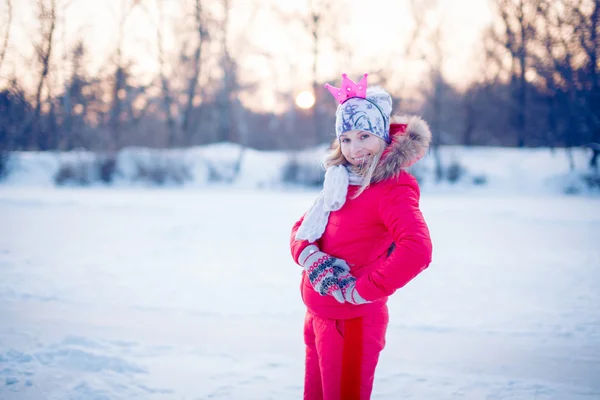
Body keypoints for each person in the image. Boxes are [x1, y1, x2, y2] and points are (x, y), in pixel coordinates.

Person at [289, 73, 433, 400]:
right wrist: (311, 256)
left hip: (351, 323)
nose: (355, 149)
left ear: (382, 135)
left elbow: (417, 249)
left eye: (364, 135)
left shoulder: (392, 188)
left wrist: (361, 291)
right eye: (347, 139)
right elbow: (301, 229)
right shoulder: (340, 179)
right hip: (318, 313)